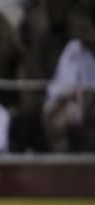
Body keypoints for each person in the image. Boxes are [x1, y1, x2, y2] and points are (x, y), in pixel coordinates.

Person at [44, 3, 95, 153]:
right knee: (55, 115)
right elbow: (59, 87)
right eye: (76, 29)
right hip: (78, 104)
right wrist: (73, 94)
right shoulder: (74, 48)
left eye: (84, 29)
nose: (80, 34)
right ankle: (61, 163)